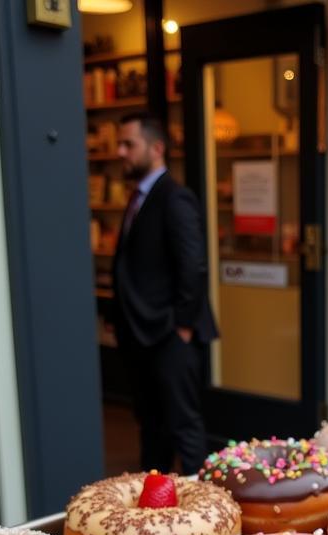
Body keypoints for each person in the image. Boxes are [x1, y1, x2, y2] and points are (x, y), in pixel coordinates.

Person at [112, 111, 217, 474]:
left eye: (129, 144)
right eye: (119, 144)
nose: (121, 152)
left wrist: (182, 327)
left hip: (171, 334)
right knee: (152, 427)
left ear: (156, 148)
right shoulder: (139, 197)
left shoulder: (175, 198)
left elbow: (194, 267)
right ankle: (151, 506)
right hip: (143, 335)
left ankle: (208, 510)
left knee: (184, 427)